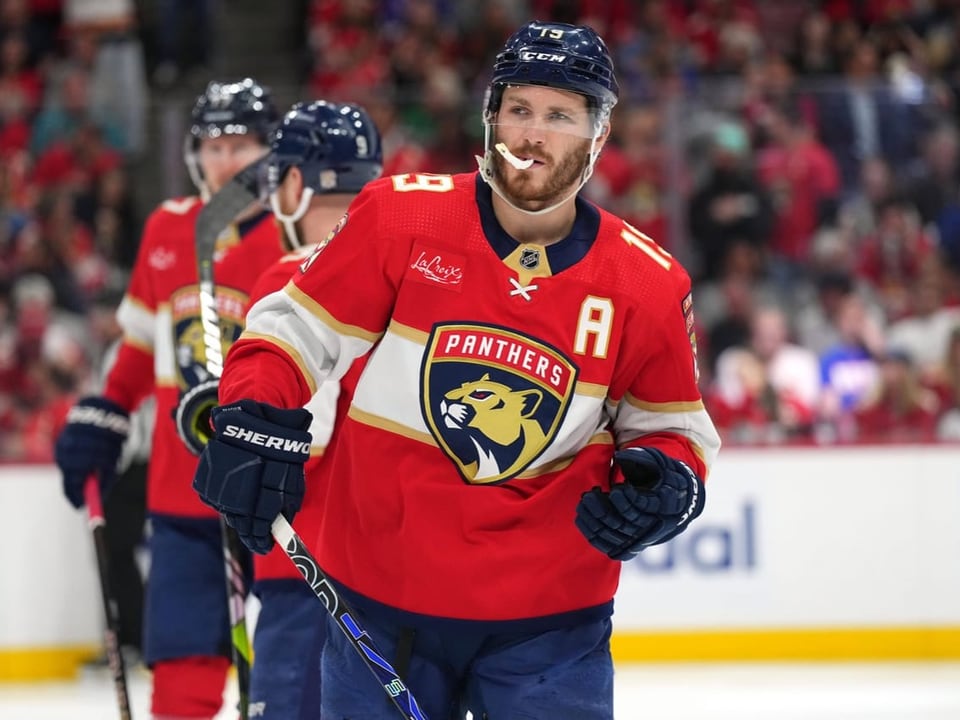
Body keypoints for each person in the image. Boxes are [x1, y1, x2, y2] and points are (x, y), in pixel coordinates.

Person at [194, 21, 721, 720]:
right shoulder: (400, 220)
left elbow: (675, 432)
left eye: (560, 116)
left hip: (551, 620)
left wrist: (665, 483)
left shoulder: (647, 285)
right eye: (519, 110)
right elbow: (292, 331)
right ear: (490, 117)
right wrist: (254, 410)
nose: (533, 134)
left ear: (597, 137)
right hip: (381, 601)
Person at [53, 77, 283, 719]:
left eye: (241, 146)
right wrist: (108, 410)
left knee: (292, 662)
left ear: (271, 153)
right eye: (213, 147)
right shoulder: (166, 228)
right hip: (182, 491)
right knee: (183, 661)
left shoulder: (295, 238)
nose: (225, 161)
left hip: (280, 493)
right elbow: (138, 348)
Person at [244, 99, 383, 719]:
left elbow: (304, 429)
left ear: (295, 182)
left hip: (304, 568)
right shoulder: (406, 273)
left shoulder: (289, 278)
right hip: (394, 573)